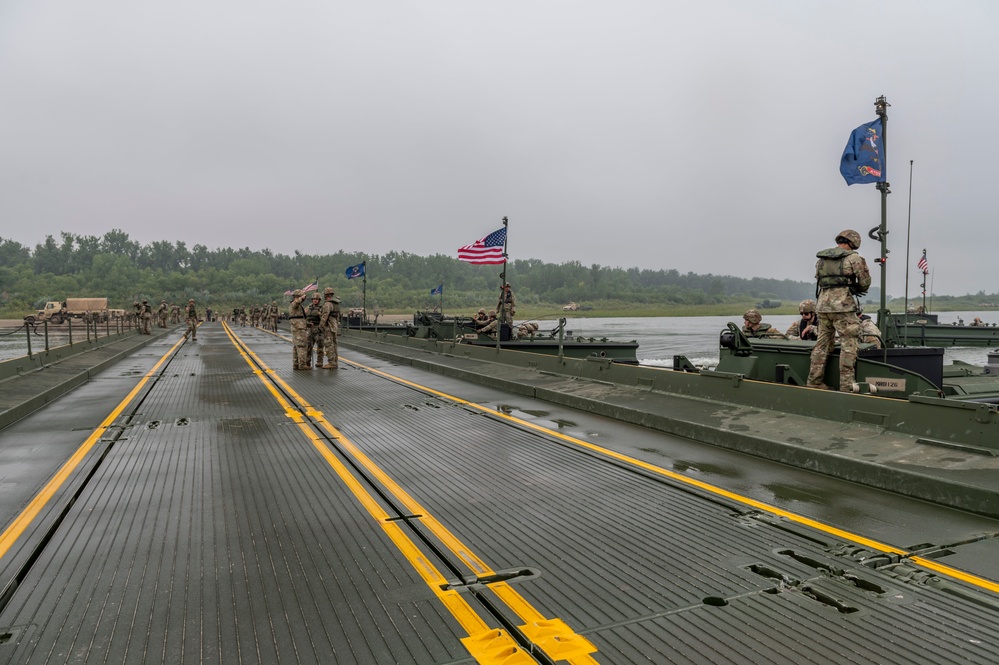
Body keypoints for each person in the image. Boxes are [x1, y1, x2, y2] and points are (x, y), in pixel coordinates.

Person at [806, 229, 872, 391]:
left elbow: (819, 279)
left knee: (821, 344)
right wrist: (855, 287)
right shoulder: (854, 258)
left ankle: (814, 381)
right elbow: (865, 281)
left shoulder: (822, 260)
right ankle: (847, 385)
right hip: (843, 307)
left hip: (822, 306)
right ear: (854, 242)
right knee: (849, 344)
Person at [319, 287, 341, 369]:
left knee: (328, 345)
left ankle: (331, 363)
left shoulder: (327, 304)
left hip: (328, 327)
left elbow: (325, 316)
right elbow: (338, 316)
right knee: (334, 345)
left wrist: (320, 326)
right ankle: (335, 361)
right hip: (334, 326)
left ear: (326, 295)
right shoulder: (336, 304)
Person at [288, 289, 309, 369]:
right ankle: (302, 365)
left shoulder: (298, 306)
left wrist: (307, 324)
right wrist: (301, 298)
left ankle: (296, 364)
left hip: (298, 327)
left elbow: (300, 317)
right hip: (299, 328)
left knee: (296, 346)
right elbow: (296, 303)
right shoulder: (294, 304)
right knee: (302, 345)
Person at [305, 293, 323, 368]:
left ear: (319, 300)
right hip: (309, 329)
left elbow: (323, 319)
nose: (315, 301)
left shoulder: (321, 308)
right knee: (308, 346)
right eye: (314, 299)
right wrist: (307, 323)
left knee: (320, 346)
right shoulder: (308, 308)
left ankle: (319, 362)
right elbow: (305, 318)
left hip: (318, 329)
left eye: (317, 299)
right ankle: (307, 362)